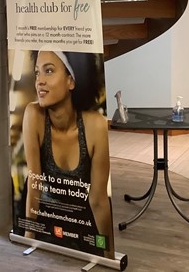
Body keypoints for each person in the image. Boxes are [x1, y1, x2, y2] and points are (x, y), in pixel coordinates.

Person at [21, 49, 114, 258]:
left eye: (49, 71)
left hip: (84, 230)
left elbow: (98, 200)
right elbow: (34, 184)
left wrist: (109, 257)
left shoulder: (95, 126)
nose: (39, 81)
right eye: (37, 73)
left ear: (71, 81)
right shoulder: (33, 115)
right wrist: (29, 237)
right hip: (45, 225)